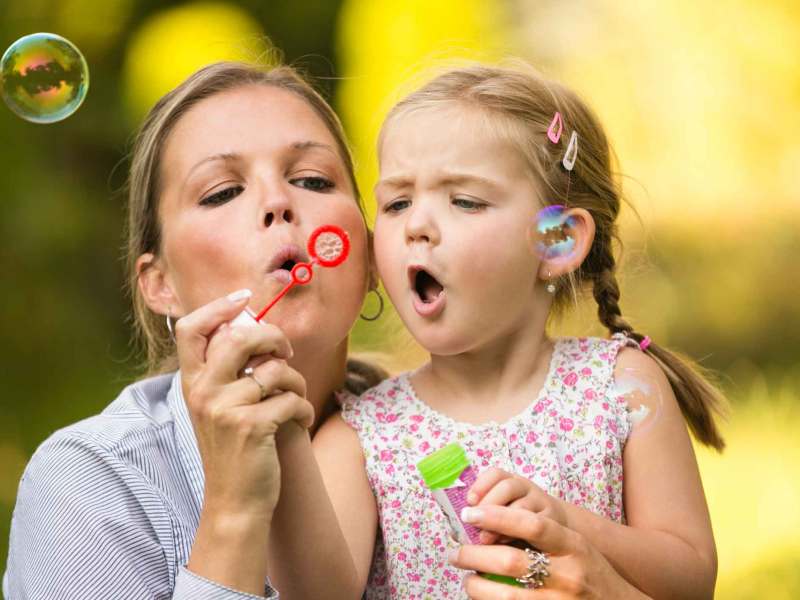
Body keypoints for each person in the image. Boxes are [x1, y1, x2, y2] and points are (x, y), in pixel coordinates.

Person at [305, 62, 727, 599]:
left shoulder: (621, 388)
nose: (416, 226)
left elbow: (692, 580)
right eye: (397, 202)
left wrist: (565, 525)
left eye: (465, 200)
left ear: (556, 240)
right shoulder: (360, 441)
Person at [3, 61, 385, 599]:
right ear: (160, 285)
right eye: (222, 192)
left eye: (312, 180)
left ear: (370, 257)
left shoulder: (436, 431)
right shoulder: (87, 479)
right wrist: (232, 510)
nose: (279, 203)